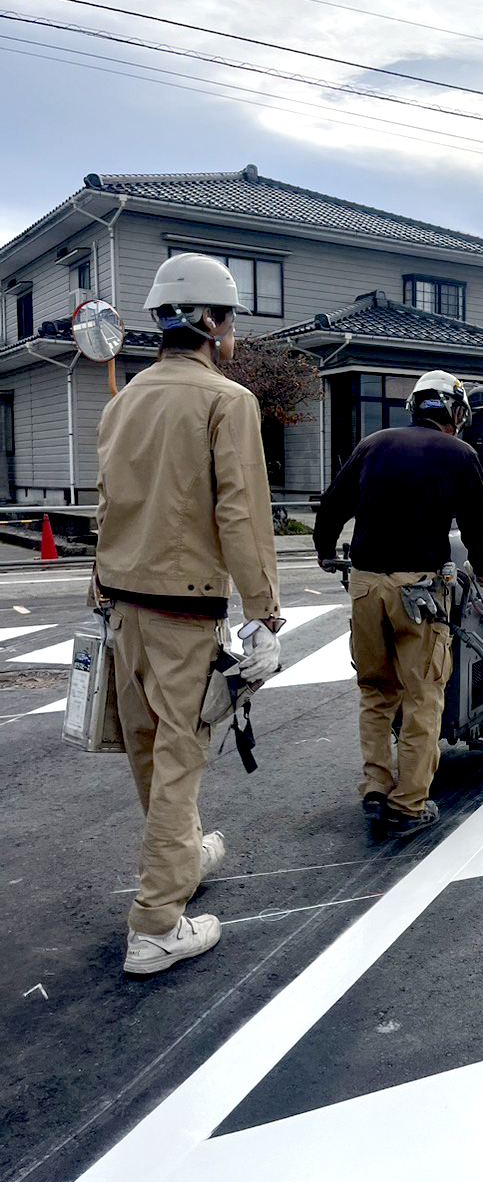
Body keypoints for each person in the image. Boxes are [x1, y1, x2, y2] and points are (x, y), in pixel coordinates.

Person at [95, 253, 283, 976]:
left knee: (151, 753)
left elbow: (108, 502)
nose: (232, 331)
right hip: (180, 613)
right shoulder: (225, 400)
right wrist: (264, 608)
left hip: (121, 607)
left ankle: (183, 854)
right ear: (209, 322)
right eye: (230, 318)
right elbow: (241, 513)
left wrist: (98, 592)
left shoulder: (125, 399)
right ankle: (155, 923)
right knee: (180, 760)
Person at [313, 369, 483, 836]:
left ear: (415, 407)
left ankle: (376, 788)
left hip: (365, 584)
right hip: (419, 591)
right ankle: (410, 803)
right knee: (423, 695)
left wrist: (325, 551)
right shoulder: (460, 453)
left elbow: (333, 504)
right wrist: (480, 567)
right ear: (454, 412)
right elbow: (478, 522)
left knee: (376, 691)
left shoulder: (373, 444)